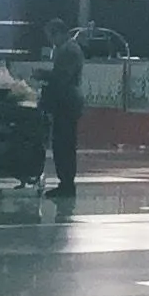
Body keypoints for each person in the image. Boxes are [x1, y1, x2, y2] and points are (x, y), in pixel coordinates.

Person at [43, 22, 85, 200]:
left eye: (51, 36)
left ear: (58, 33)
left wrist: (43, 75)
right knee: (62, 145)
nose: (50, 40)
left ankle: (66, 184)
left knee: (64, 145)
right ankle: (65, 182)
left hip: (66, 102)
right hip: (66, 101)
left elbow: (62, 76)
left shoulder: (69, 51)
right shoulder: (68, 49)